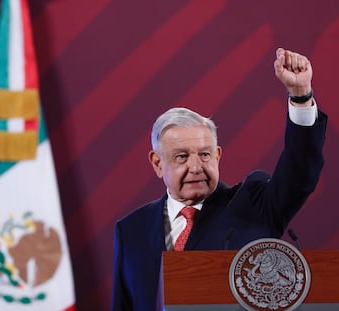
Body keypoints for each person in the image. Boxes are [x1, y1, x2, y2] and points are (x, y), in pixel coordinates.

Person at [111, 48, 327, 311]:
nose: (195, 167)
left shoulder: (253, 205)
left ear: (218, 155)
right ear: (157, 163)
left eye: (204, 154)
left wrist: (301, 97)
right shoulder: (131, 229)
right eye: (181, 157)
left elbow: (300, 173)